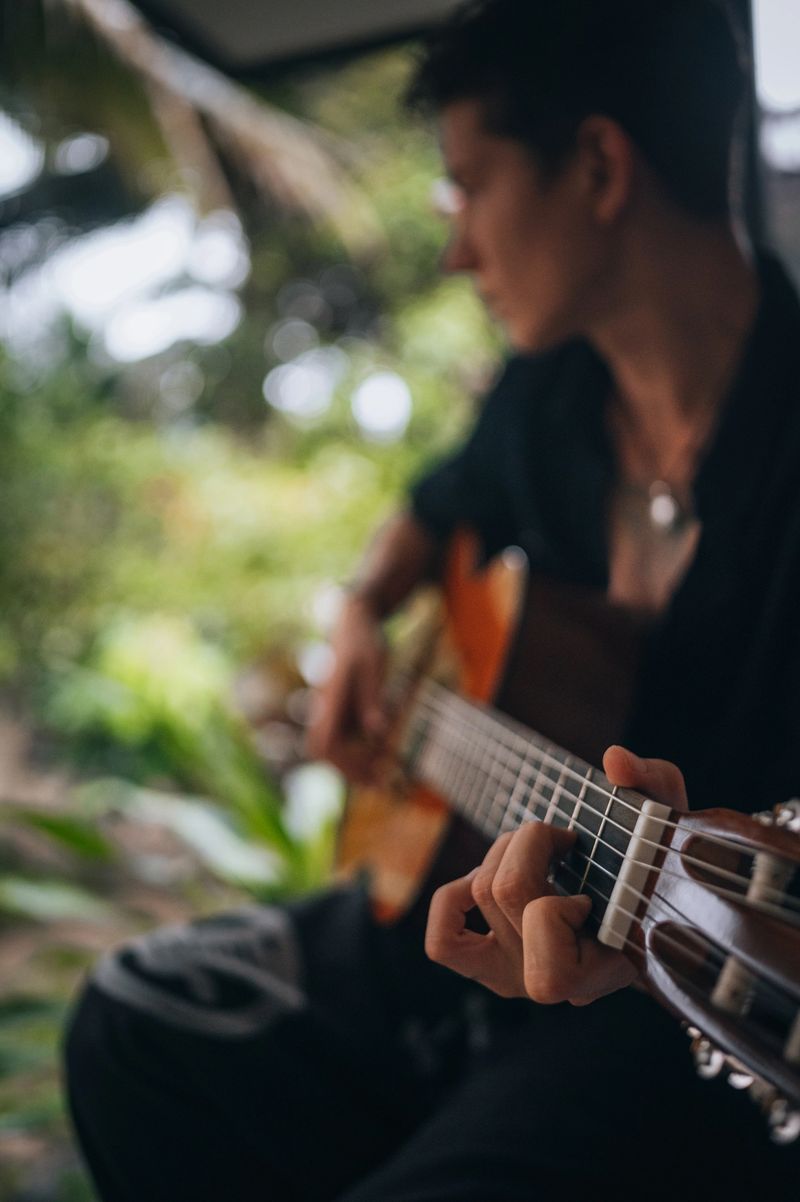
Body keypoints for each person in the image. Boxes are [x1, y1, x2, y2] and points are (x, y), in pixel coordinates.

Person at [65, 2, 800, 1199]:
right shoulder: (546, 392)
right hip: (468, 901)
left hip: (655, 1001)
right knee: (130, 1018)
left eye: (467, 187)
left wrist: (637, 940)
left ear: (599, 168)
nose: (454, 250)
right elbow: (432, 509)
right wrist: (360, 612)